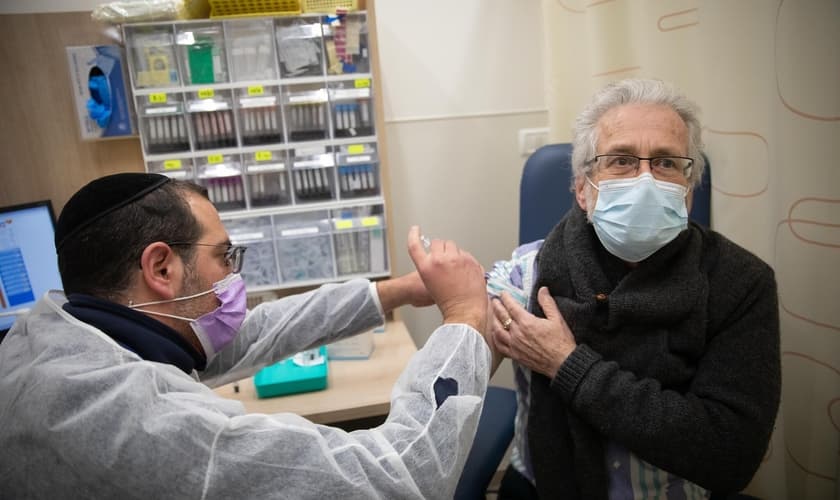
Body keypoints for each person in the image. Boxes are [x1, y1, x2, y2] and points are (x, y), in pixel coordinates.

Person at [0, 173, 500, 499]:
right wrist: (463, 316)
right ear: (161, 267)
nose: (233, 276)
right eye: (223, 257)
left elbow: (251, 336)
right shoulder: (151, 422)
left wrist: (394, 292)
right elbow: (401, 476)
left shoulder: (52, 338)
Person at [485, 78, 780, 499]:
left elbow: (730, 453)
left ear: (689, 190)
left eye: (665, 163)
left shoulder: (741, 285)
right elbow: (467, 342)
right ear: (583, 189)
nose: (645, 180)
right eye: (621, 160)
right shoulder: (528, 275)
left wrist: (566, 364)